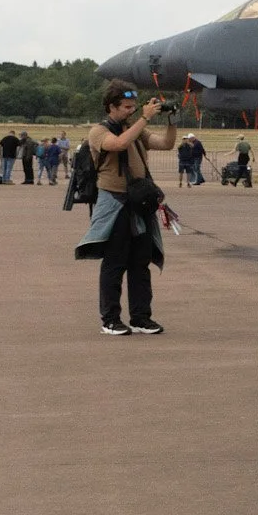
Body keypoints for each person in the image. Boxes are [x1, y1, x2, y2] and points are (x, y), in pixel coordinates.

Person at [74, 82, 177, 336]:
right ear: (112, 107)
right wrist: (143, 118)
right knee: (115, 262)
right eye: (127, 107)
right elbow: (118, 144)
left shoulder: (134, 128)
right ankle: (110, 319)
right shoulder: (98, 131)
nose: (131, 111)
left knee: (140, 263)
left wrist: (171, 121)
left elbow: (165, 144)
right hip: (114, 202)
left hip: (138, 203)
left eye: (134, 107)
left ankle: (141, 318)